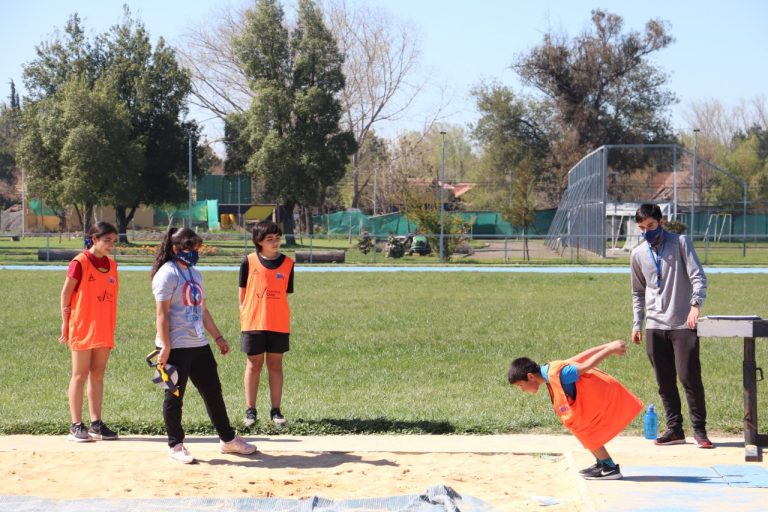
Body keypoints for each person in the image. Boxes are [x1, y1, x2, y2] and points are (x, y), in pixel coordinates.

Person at [151, 227, 257, 463]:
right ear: (175, 248)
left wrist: (218, 337)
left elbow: (203, 310)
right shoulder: (166, 274)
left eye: (196, 248)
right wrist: (165, 346)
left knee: (213, 392)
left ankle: (228, 439)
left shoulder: (195, 273)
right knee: (174, 395)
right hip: (175, 345)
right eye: (189, 248)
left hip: (198, 343)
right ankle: (175, 445)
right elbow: (161, 314)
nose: (194, 253)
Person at [630, 203, 711, 448]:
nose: (647, 231)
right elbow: (638, 292)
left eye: (651, 225)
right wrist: (637, 323)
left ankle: (700, 431)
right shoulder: (638, 254)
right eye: (642, 228)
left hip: (683, 323)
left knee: (689, 378)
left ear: (661, 221)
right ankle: (675, 430)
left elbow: (698, 277)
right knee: (664, 382)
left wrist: (695, 305)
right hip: (655, 325)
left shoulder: (681, 243)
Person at [508, 339, 643, 480]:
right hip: (595, 397)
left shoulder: (559, 374)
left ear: (530, 377)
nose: (522, 390)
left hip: (604, 394)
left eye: (520, 385)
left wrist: (610, 349)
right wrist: (607, 345)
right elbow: (580, 357)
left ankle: (609, 468)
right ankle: (602, 463)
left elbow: (585, 366)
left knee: (582, 427)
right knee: (577, 425)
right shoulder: (550, 370)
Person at [59, 222, 120, 442]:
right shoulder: (80, 262)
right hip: (82, 326)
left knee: (98, 374)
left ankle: (96, 424)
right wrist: (65, 322)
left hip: (103, 327)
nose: (111, 245)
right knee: (79, 374)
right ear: (94, 239)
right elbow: (65, 294)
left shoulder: (111, 264)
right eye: (107, 240)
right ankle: (76, 425)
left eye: (114, 241)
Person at [239, 220, 295, 427]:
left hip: (278, 322)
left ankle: (276, 411)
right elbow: (242, 294)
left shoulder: (288, 263)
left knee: (275, 365)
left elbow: (285, 292)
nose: (275, 242)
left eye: (277, 238)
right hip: (253, 321)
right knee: (254, 365)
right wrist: (245, 316)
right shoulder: (248, 261)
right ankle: (250, 411)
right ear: (259, 241)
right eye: (269, 239)